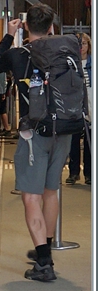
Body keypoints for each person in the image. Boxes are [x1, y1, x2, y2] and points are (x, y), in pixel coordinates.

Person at [0, 3, 79, 283]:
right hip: (64, 130)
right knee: (51, 191)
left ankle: (43, 262)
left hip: (35, 133)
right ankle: (46, 246)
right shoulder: (67, 51)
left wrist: (8, 35)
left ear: (26, 26)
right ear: (52, 27)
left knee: (31, 196)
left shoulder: (18, 54)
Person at [66, 33, 92, 185]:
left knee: (90, 140)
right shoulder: (70, 64)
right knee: (73, 139)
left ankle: (89, 173)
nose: (81, 47)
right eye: (78, 44)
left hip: (91, 104)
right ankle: (73, 172)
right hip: (74, 105)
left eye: (84, 44)